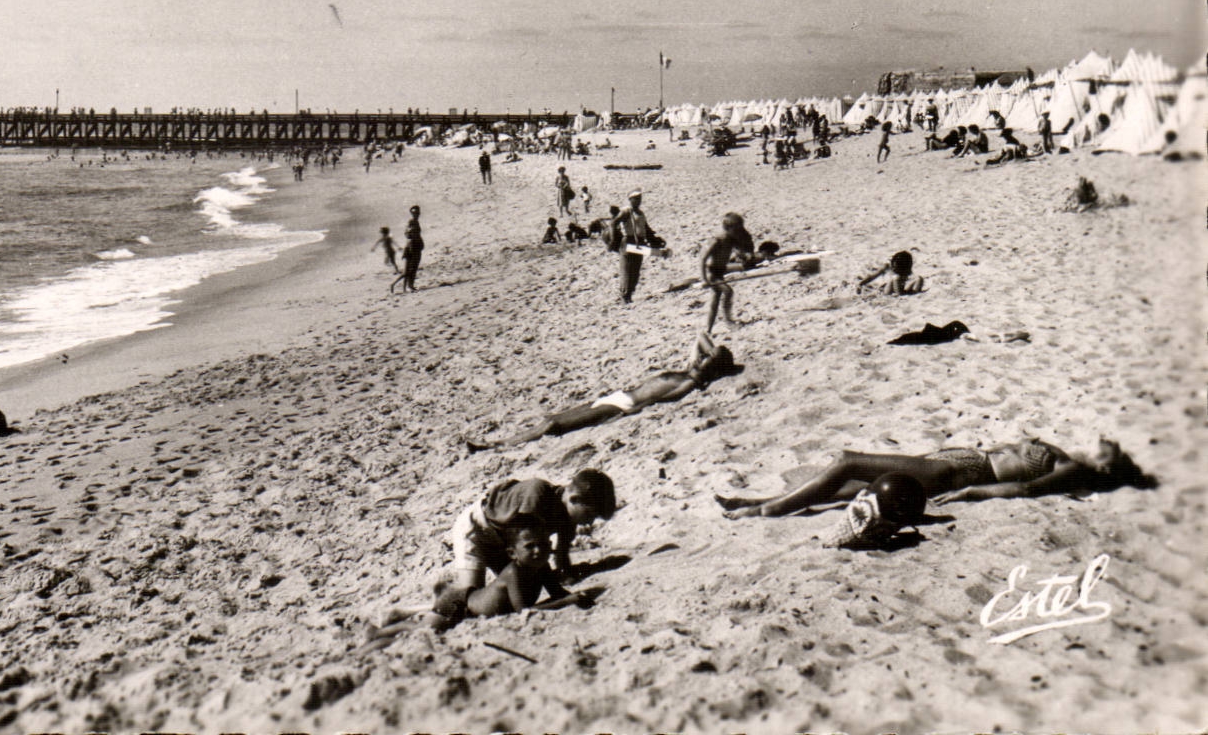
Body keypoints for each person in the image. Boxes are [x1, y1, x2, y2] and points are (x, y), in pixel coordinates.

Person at [717, 437, 1152, 518]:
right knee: (846, 487)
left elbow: (1025, 488)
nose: (1105, 440)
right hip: (949, 459)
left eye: (1111, 449)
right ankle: (758, 501)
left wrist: (974, 492)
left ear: (1106, 466)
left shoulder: (1070, 469)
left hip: (959, 471)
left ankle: (770, 509)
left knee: (848, 463)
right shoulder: (1062, 454)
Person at [466, 333, 737, 449]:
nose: (703, 358)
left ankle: (497, 445)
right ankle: (504, 442)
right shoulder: (688, 369)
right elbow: (700, 336)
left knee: (553, 425)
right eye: (705, 356)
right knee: (552, 419)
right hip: (616, 397)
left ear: (710, 370)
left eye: (707, 360)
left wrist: (708, 373)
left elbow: (658, 400)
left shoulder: (688, 382)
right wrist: (713, 355)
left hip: (621, 406)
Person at [363, 524, 585, 648]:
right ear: (512, 553)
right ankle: (383, 631)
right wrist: (567, 602)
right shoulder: (513, 572)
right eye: (530, 546)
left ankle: (387, 628)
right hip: (459, 603)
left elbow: (558, 594)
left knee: (430, 630)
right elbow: (523, 612)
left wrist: (573, 597)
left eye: (545, 545)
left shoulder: (542, 567)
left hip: (468, 605)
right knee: (427, 631)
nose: (539, 551)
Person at [447, 470, 617, 593]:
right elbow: (528, 542)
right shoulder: (537, 494)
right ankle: (436, 606)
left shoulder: (568, 517)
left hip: (505, 541)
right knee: (469, 596)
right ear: (573, 499)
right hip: (477, 529)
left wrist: (567, 574)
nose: (590, 521)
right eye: (589, 513)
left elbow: (562, 553)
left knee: (518, 592)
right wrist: (556, 590)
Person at [702, 212, 757, 331]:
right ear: (728, 228)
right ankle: (728, 321)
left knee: (715, 300)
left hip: (720, 270)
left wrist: (747, 255)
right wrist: (704, 279)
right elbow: (703, 259)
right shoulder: (717, 240)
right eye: (737, 230)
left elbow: (741, 249)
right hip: (711, 272)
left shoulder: (731, 239)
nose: (740, 232)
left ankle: (708, 329)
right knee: (728, 292)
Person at [614, 190, 656, 303]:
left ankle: (630, 294)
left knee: (635, 271)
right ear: (630, 199)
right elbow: (614, 223)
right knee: (626, 270)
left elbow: (646, 228)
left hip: (640, 242)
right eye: (636, 198)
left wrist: (654, 239)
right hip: (628, 242)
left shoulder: (641, 213)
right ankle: (624, 296)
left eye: (639, 198)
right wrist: (616, 238)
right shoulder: (626, 211)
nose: (638, 200)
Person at [856, 250, 925, 295]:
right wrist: (861, 283)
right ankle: (900, 295)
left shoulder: (905, 271)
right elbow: (872, 276)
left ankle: (913, 294)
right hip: (887, 291)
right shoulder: (887, 267)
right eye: (893, 266)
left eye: (896, 268)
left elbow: (912, 279)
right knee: (895, 278)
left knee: (919, 279)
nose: (894, 268)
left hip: (901, 290)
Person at [392, 205, 423, 293]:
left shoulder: (416, 222)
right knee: (412, 267)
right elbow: (407, 234)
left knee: (413, 267)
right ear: (411, 213)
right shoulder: (411, 222)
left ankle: (409, 285)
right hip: (412, 246)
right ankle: (409, 286)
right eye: (414, 213)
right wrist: (412, 234)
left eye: (417, 213)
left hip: (415, 246)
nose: (416, 214)